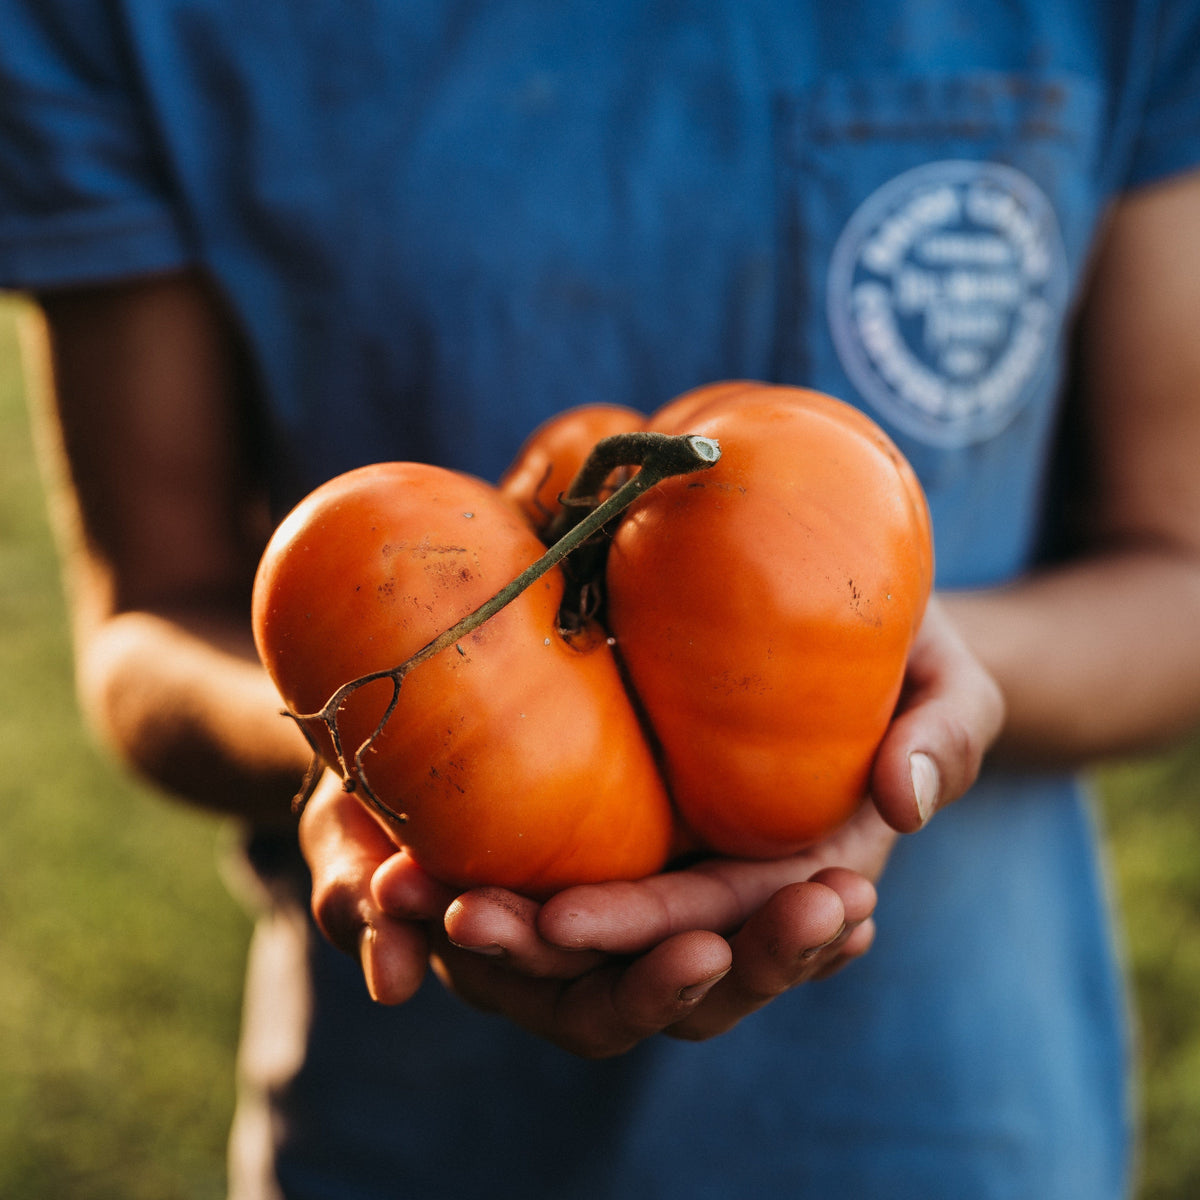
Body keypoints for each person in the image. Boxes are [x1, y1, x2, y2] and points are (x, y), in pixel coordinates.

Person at [3, 2, 1200, 1196]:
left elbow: (1179, 570)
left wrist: (934, 672)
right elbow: (149, 618)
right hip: (412, 1140)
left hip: (951, 1122)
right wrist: (363, 765)